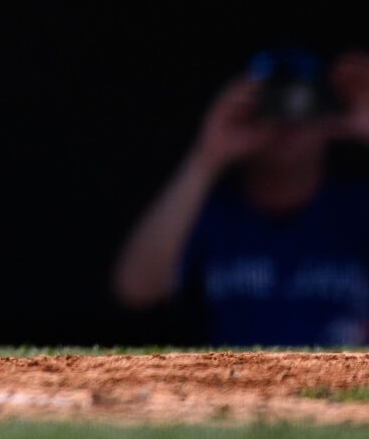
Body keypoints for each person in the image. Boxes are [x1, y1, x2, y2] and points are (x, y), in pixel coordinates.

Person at [113, 53, 369, 348]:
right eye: (273, 102)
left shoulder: (357, 207)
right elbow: (135, 290)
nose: (289, 120)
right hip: (235, 387)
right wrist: (206, 157)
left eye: (305, 101)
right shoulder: (214, 211)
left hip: (340, 388)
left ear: (328, 110)